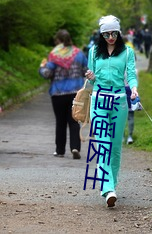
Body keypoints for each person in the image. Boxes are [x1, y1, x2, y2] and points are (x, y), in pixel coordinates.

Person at [85, 15, 138, 207]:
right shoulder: (93, 52)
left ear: (119, 32)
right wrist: (90, 76)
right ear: (101, 34)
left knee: (115, 147)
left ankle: (111, 186)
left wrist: (133, 88)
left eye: (114, 33)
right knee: (103, 145)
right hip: (99, 101)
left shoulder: (127, 52)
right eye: (106, 34)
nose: (110, 37)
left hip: (119, 103)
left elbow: (131, 74)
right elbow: (91, 81)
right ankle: (107, 188)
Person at [39, 29, 88, 159]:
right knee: (74, 121)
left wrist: (42, 67)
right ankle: (75, 147)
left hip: (58, 93)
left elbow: (47, 74)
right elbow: (86, 71)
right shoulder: (79, 54)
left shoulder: (54, 55)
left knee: (60, 122)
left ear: (58, 41)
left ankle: (60, 150)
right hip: (75, 93)